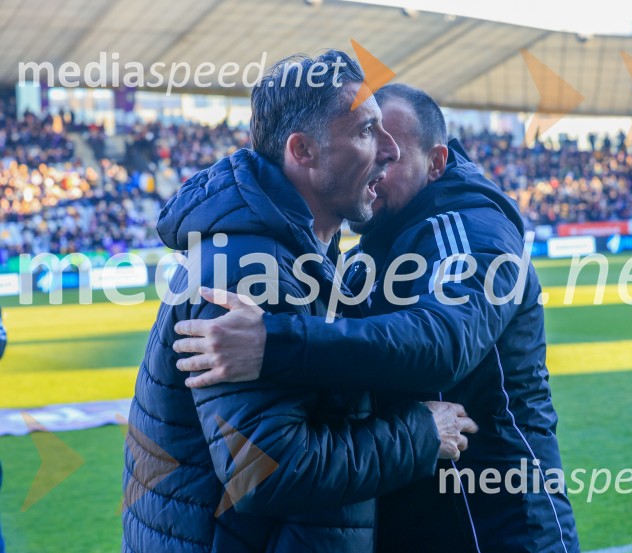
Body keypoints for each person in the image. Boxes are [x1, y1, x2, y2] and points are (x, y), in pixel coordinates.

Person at [174, 84, 580, 552]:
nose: (373, 166)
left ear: (435, 163)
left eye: (390, 157)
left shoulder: (466, 231)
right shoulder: (372, 246)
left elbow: (444, 343)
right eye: (368, 146)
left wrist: (272, 343)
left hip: (494, 527)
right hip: (425, 523)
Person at [124, 53, 477, 553]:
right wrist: (422, 433)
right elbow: (267, 471)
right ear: (304, 151)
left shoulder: (295, 251)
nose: (391, 149)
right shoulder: (249, 265)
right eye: (366, 131)